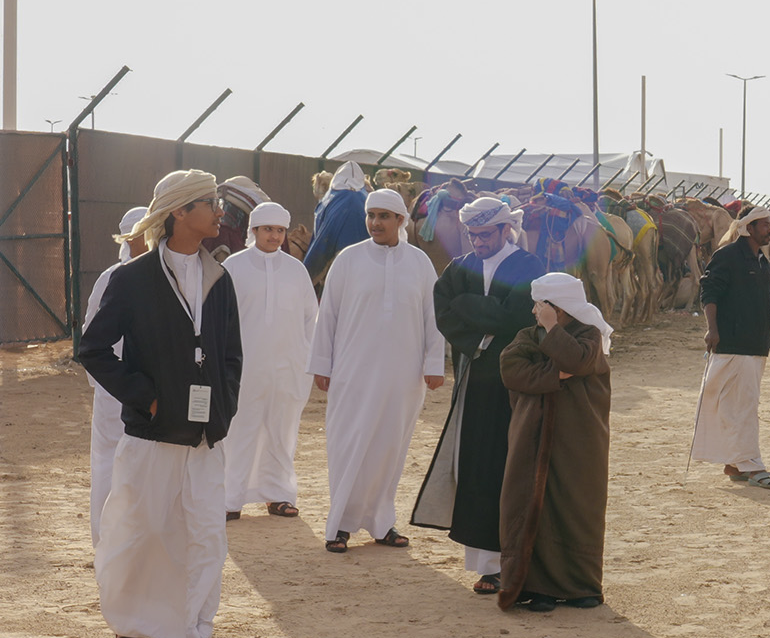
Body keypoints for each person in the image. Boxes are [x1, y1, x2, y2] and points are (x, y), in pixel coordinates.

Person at [76, 170, 247, 638]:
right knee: (140, 529)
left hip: (204, 435)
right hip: (151, 435)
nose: (219, 212)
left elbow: (231, 353)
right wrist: (145, 399)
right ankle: (128, 619)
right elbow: (93, 349)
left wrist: (224, 406)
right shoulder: (132, 279)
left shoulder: (220, 277)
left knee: (204, 533)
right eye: (209, 204)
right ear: (179, 212)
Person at [412, 194, 543, 593]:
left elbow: (519, 315)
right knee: (477, 464)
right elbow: (443, 309)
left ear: (505, 229)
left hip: (516, 379)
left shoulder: (529, 266)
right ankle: (488, 563)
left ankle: (518, 556)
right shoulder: (460, 266)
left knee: (512, 462)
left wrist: (473, 307)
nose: (478, 241)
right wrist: (482, 336)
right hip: (475, 373)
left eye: (485, 234)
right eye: (473, 234)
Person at [308, 187, 447, 552]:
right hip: (352, 371)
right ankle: (339, 524)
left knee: (390, 447)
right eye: (371, 216)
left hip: (403, 375)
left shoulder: (419, 263)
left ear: (401, 220)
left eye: (384, 216)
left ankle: (382, 522)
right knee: (347, 442)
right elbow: (328, 317)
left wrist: (434, 364)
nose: (375, 223)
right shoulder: (348, 260)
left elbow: (434, 319)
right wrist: (322, 363)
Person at [495, 270, 612, 614]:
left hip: (580, 439)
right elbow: (510, 369)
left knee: (579, 506)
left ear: (558, 308)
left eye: (541, 306)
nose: (534, 312)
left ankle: (581, 586)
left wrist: (551, 332)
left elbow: (576, 360)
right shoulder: (526, 336)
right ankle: (537, 588)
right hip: (531, 438)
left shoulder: (589, 336)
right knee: (534, 504)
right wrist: (552, 375)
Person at [222, 199, 316, 520]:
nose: (274, 236)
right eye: (267, 230)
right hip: (243, 367)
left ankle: (279, 495)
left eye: (279, 230)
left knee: (281, 431)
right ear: (254, 231)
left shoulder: (296, 270)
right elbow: (220, 318)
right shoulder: (233, 266)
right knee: (240, 429)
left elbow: (310, 320)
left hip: (287, 367)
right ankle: (229, 498)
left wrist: (307, 362)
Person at [692, 207, 770, 488]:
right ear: (748, 228)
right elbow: (709, 292)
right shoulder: (728, 256)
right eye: (765, 225)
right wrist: (712, 328)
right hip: (732, 345)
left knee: (741, 407)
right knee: (742, 409)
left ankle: (734, 465)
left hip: (756, 346)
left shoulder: (763, 262)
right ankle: (753, 466)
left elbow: (764, 306)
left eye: (769, 225)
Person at [85, 205, 153, 542]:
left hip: (151, 389)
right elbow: (91, 337)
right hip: (114, 390)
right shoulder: (112, 277)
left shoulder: (165, 276)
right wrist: (107, 385)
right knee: (108, 463)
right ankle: (107, 540)